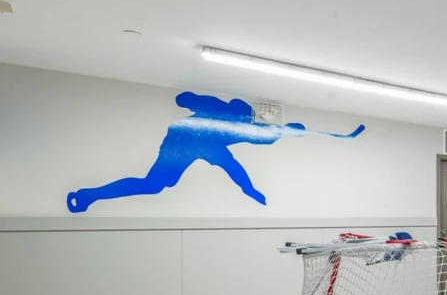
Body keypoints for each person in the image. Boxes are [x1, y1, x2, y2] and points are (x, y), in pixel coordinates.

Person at [67, 91, 361, 213]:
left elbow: (234, 167)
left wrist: (250, 190)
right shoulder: (227, 115)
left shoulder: (247, 136)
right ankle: (90, 194)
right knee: (155, 185)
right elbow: (186, 98)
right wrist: (192, 99)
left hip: (197, 142)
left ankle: (90, 194)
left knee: (157, 185)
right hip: (183, 138)